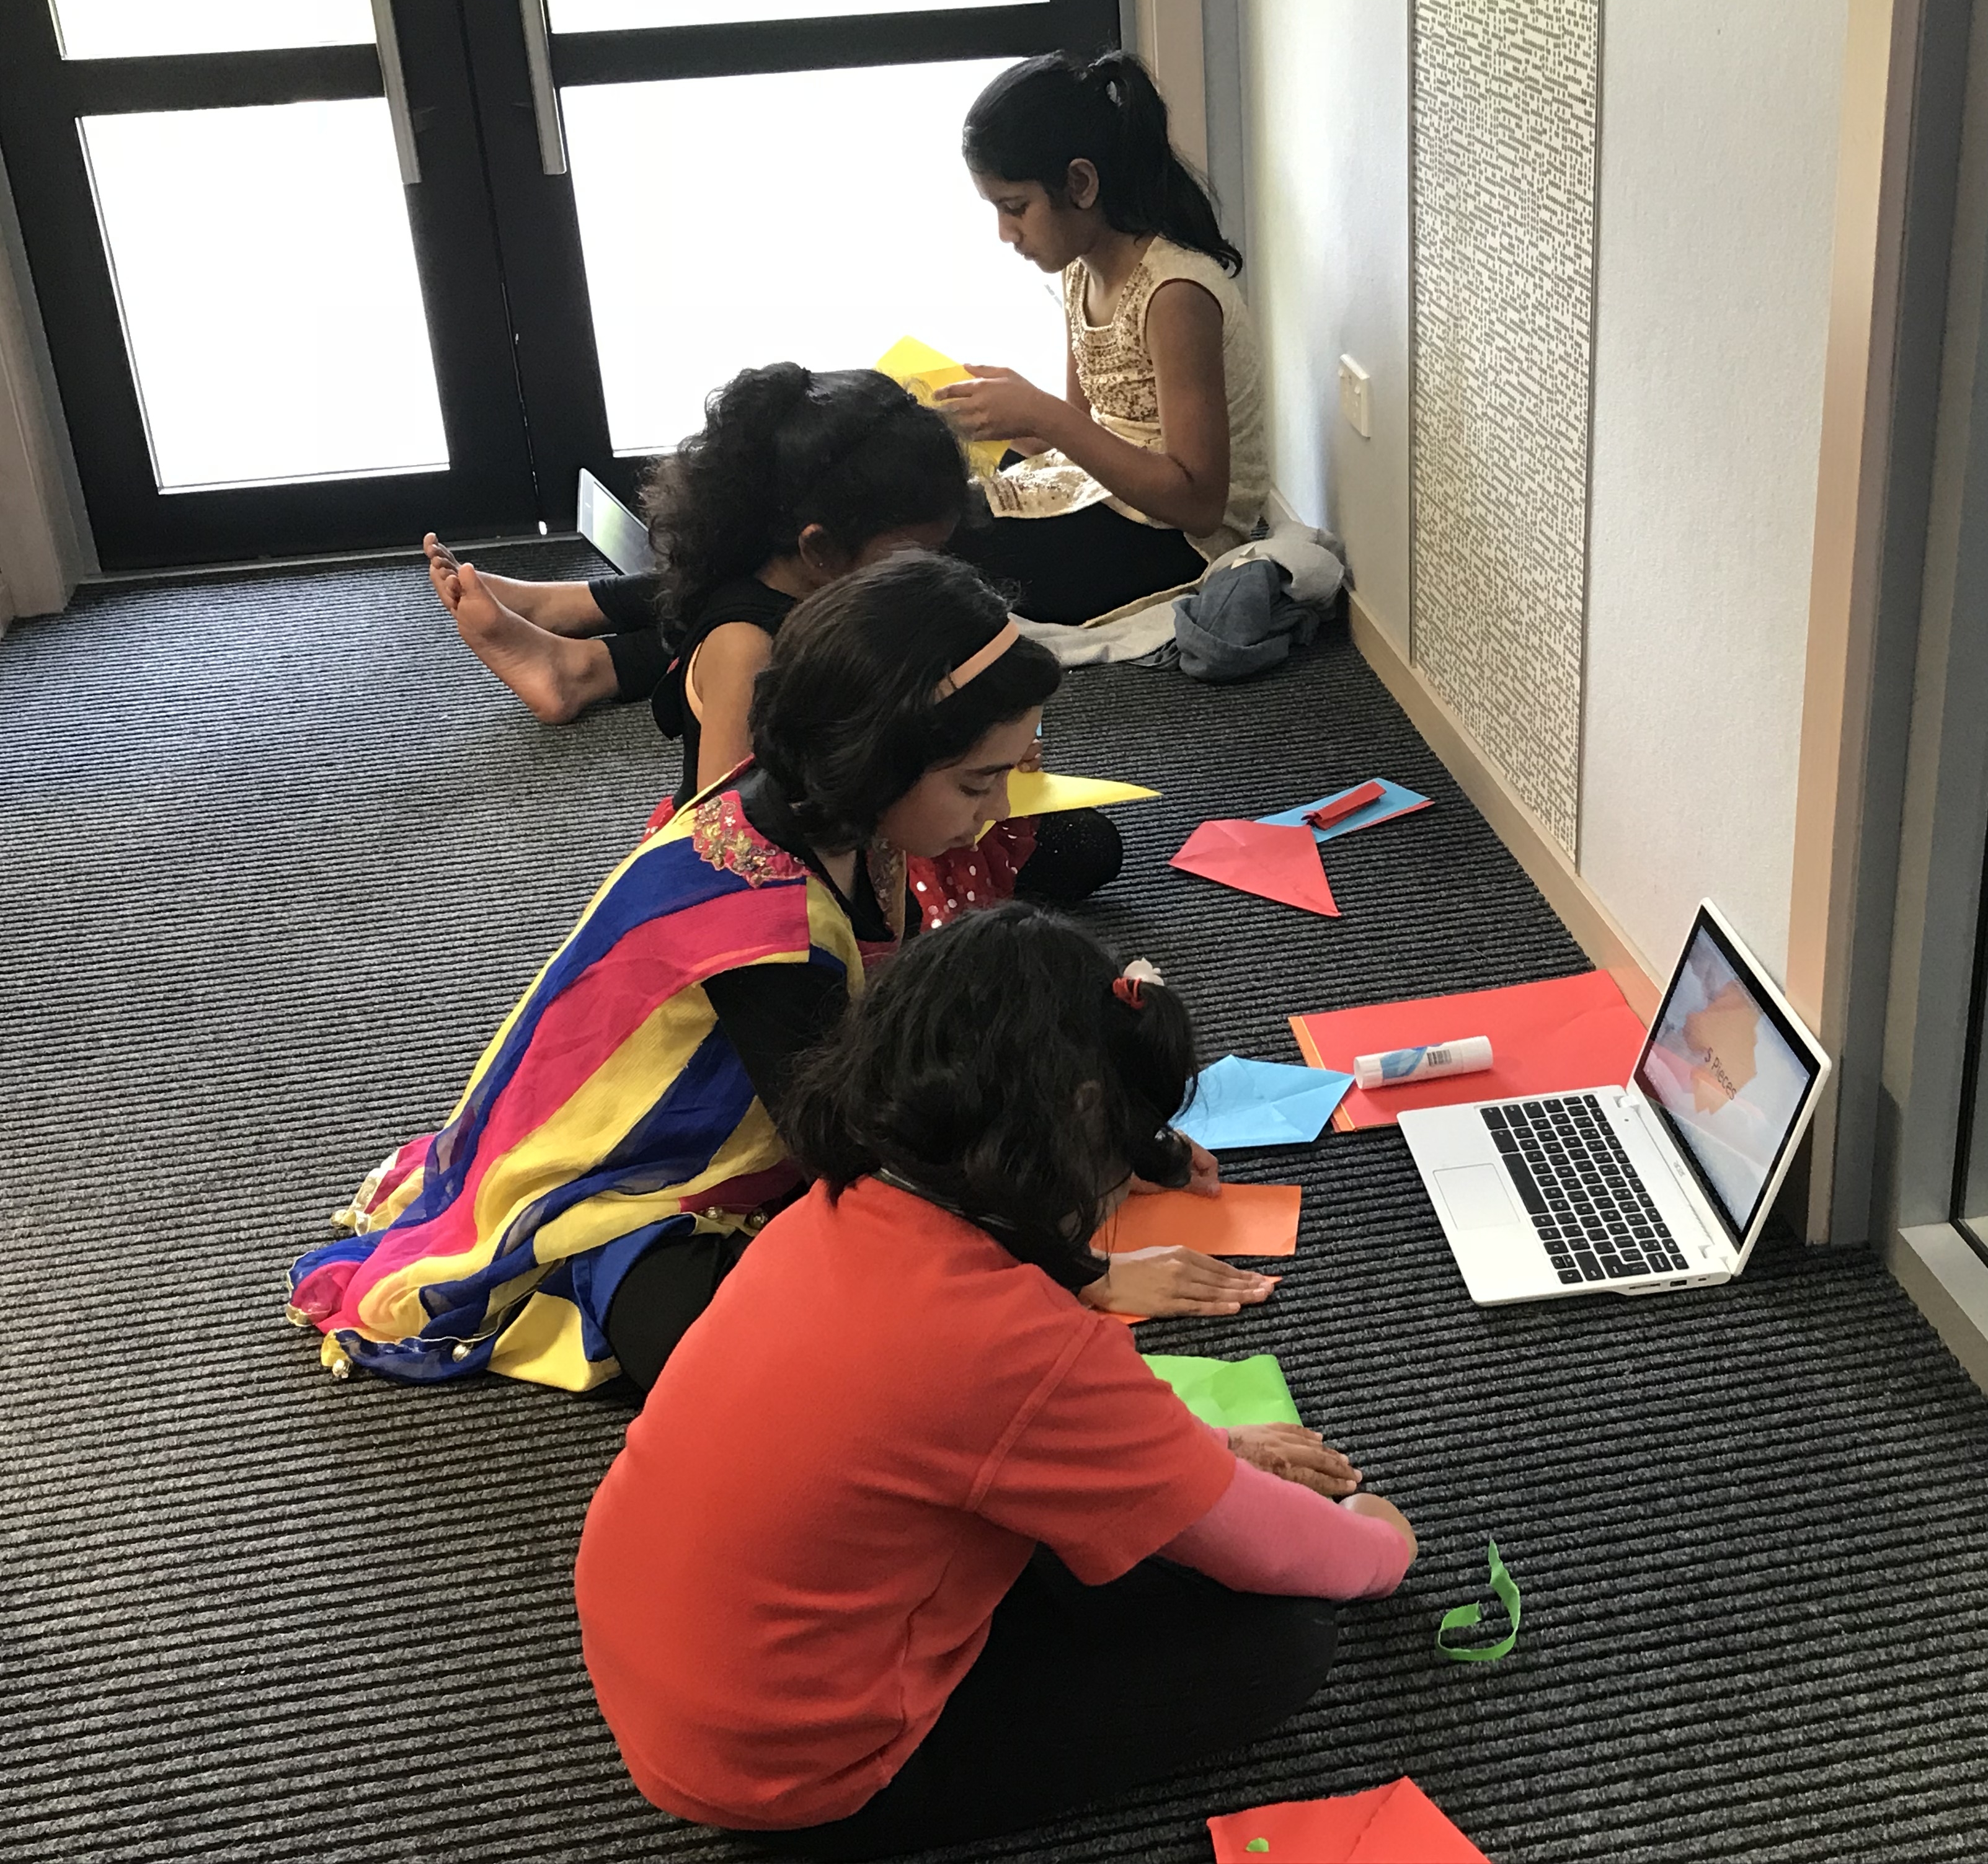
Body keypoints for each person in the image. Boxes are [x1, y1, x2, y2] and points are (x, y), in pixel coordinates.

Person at [290, 555, 1250, 1397]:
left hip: (782, 1121)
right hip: (633, 1189)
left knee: (918, 1260)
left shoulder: (843, 814)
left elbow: (914, 1037)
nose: (999, 808)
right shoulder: (762, 917)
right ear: (883, 758)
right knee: (773, 1360)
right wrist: (1076, 1270)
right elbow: (853, 1145)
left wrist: (1126, 1137)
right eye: (977, 782)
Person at [574, 903, 1417, 1857]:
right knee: (1287, 1639)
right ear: (1086, 1119)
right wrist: (1378, 1547)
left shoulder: (831, 1214)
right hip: (801, 1775)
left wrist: (1207, 1453)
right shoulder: (1023, 1345)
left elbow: (992, 1433)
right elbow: (1254, 1543)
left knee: (1071, 1521)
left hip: (669, 1674)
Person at [427, 366, 964, 784]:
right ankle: (572, 656)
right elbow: (729, 833)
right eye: (920, 554)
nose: (933, 572)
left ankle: (574, 650)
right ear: (819, 548)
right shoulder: (748, 653)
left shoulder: (794, 581)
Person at [937, 51, 1272, 623]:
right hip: (1105, 489)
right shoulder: (1080, 270)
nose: (1005, 233)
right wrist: (1009, 415)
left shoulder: (1175, 294)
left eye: (1015, 208)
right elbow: (1083, 426)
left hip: (1175, 538)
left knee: (948, 554)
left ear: (1081, 183)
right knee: (934, 496)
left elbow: (1201, 505)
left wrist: (1041, 414)